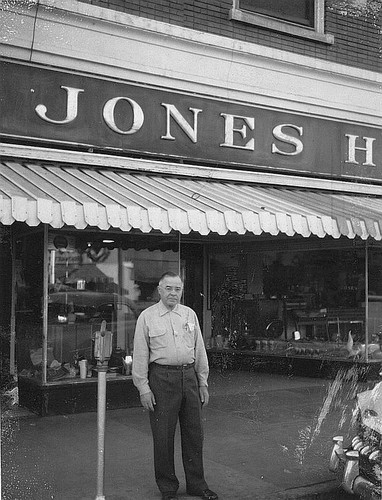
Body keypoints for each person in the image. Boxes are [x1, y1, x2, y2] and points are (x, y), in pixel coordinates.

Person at [132, 272, 218, 500]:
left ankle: (197, 485)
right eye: (168, 288)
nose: (173, 293)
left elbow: (199, 351)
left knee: (194, 434)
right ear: (159, 290)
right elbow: (140, 355)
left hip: (188, 377)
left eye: (177, 289)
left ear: (182, 290)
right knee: (163, 436)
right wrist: (144, 388)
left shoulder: (189, 314)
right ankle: (168, 488)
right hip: (161, 380)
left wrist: (203, 383)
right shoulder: (147, 317)